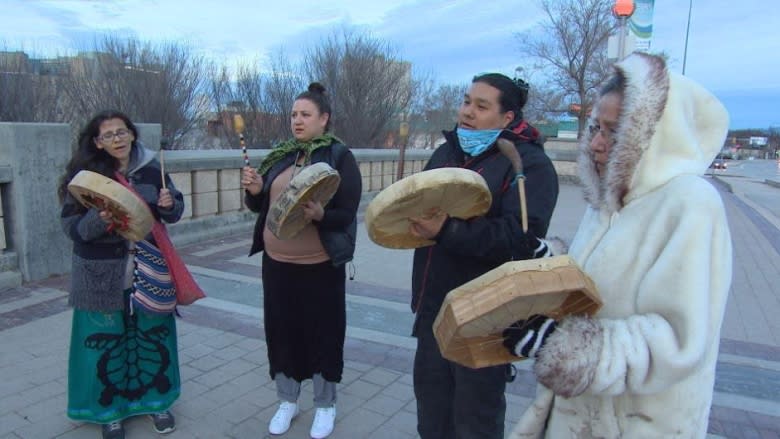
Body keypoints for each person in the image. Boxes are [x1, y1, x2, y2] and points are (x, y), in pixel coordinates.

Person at [504, 52, 732, 438]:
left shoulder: (692, 203)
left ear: (654, 135)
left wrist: (563, 347)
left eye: (614, 131)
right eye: (596, 126)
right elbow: (596, 285)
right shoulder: (613, 201)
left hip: (636, 424)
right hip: (579, 415)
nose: (595, 143)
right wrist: (550, 261)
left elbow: (678, 339)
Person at [408, 73, 559, 439]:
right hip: (435, 310)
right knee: (432, 415)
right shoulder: (449, 151)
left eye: (481, 106)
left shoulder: (529, 166)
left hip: (487, 317)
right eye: (466, 102)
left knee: (475, 420)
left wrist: (449, 230)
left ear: (507, 118)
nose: (467, 113)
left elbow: (520, 239)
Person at [242, 82, 362, 439]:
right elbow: (260, 206)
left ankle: (325, 405)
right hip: (277, 264)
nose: (297, 121)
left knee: (323, 333)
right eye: (294, 114)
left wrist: (322, 214)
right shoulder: (282, 155)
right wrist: (254, 191)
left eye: (305, 115)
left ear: (324, 119)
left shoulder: (339, 156)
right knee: (281, 331)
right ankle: (287, 400)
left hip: (320, 266)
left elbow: (348, 213)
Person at [58, 111, 184, 439]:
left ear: (132, 133)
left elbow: (174, 212)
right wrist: (99, 219)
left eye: (122, 132)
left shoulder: (153, 168)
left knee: (153, 334)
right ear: (97, 142)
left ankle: (156, 402)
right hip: (100, 273)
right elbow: (72, 228)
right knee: (102, 342)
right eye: (108, 135)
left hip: (149, 267)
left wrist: (169, 205)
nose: (117, 139)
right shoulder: (85, 177)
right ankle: (108, 410)